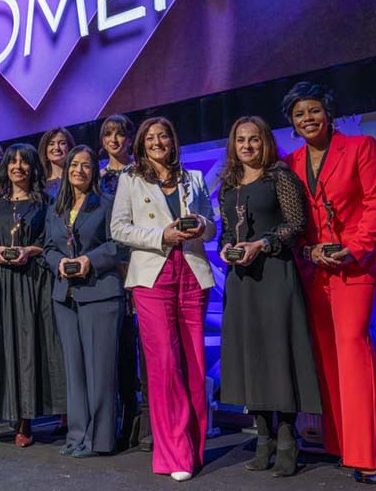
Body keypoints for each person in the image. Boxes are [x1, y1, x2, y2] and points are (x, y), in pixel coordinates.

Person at [282, 83, 376, 484]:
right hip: (314, 271)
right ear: (291, 123)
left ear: (328, 113)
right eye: (299, 114)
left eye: (313, 111)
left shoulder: (361, 147)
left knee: (352, 351)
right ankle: (341, 445)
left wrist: (353, 248)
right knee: (326, 359)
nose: (307, 119)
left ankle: (366, 456)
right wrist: (308, 252)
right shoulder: (289, 161)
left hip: (353, 269)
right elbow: (292, 218)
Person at [110, 117, 216, 482]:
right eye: (150, 137)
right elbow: (118, 228)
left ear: (173, 141)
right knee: (165, 365)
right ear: (141, 145)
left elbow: (214, 223)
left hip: (192, 273)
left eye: (163, 136)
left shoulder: (194, 178)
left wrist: (202, 224)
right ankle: (173, 452)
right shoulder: (130, 179)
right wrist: (161, 235)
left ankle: (194, 447)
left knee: (195, 365)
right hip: (153, 276)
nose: (157, 142)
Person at [217, 116, 322, 477]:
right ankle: (264, 438)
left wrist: (262, 244)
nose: (247, 146)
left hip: (275, 274)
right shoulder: (227, 184)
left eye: (254, 140)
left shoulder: (280, 176)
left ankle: (289, 439)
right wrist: (226, 248)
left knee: (280, 354)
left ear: (265, 142)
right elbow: (226, 232)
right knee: (252, 359)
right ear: (234, 145)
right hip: (241, 280)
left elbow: (296, 225)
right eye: (241, 140)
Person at [0, 143, 66, 448]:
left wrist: (29, 251)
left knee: (26, 347)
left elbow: (49, 242)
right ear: (6, 167)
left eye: (24, 162)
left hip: (30, 282)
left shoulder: (45, 202)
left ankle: (24, 419)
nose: (18, 167)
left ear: (34, 167)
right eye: (13, 162)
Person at [44, 145, 126, 458]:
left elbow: (119, 243)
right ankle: (77, 435)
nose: (79, 170)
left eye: (86, 165)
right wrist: (57, 263)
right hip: (64, 295)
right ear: (66, 170)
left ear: (94, 171)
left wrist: (90, 259)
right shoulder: (56, 206)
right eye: (74, 164)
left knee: (100, 370)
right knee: (74, 370)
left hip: (100, 293)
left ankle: (101, 440)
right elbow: (48, 247)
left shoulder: (107, 204)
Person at [96, 114, 149, 451]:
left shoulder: (141, 171)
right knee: (117, 349)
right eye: (108, 135)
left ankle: (143, 421)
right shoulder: (97, 177)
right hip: (107, 269)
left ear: (131, 139)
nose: (114, 140)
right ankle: (121, 418)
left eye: (120, 134)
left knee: (144, 347)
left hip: (142, 263)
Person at [39, 127, 74, 198]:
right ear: (45, 150)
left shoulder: (78, 177)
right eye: (51, 144)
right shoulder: (40, 185)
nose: (57, 148)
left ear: (69, 148)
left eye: (62, 143)